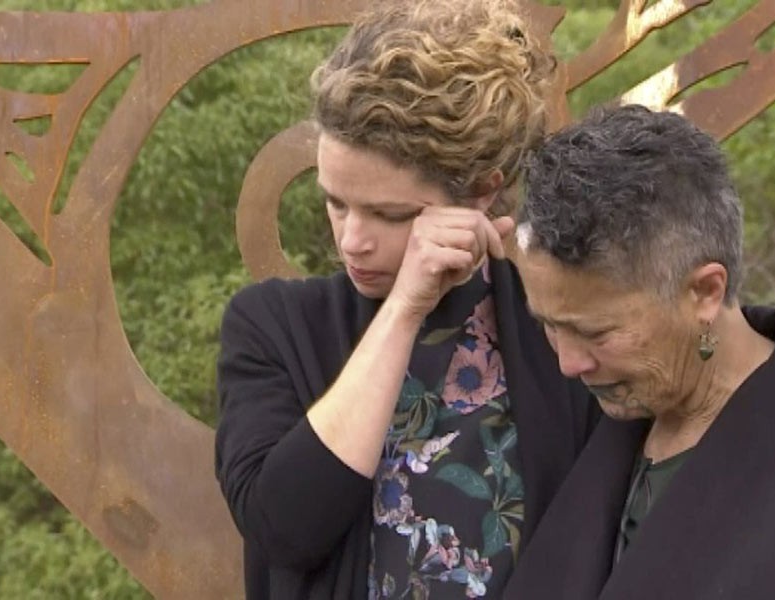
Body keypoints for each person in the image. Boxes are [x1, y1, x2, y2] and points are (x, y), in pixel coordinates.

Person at [214, 2, 598, 598]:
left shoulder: (560, 336)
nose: (351, 240)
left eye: (389, 214)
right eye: (336, 202)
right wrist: (402, 310)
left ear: (481, 192)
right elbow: (284, 530)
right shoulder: (273, 326)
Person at [503, 104, 775, 599]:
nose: (569, 363)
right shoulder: (592, 418)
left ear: (705, 291)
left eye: (597, 333)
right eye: (548, 325)